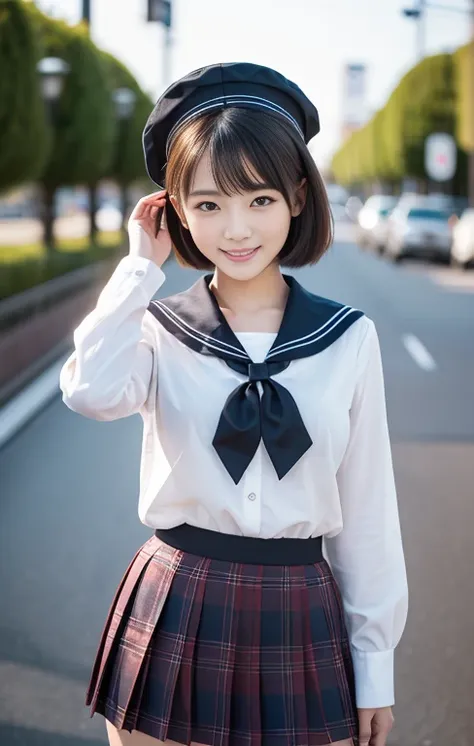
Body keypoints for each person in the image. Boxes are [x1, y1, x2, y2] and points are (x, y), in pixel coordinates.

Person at [59, 62, 408, 746]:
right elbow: (87, 389)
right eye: (209, 204)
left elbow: (368, 515)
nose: (237, 229)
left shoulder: (347, 341)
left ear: (298, 198)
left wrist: (375, 669)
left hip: (299, 609)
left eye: (260, 200)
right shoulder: (160, 331)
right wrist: (139, 268)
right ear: (178, 211)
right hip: (176, 601)